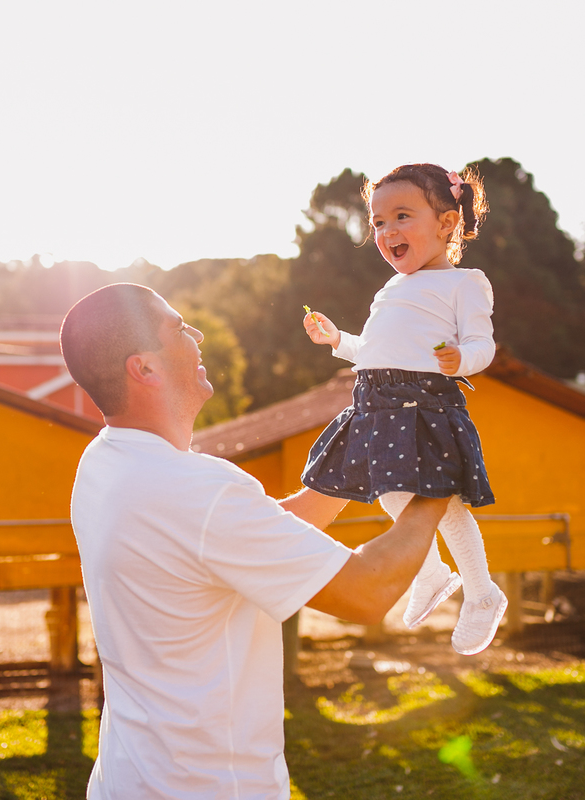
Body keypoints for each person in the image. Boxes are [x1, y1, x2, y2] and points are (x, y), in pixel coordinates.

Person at [60, 282, 450, 799]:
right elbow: (367, 591)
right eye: (178, 328)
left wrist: (351, 456)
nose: (196, 335)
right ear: (144, 368)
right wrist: (440, 481)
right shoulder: (200, 493)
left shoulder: (103, 463)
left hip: (130, 782)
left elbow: (256, 537)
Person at [300, 162, 506, 656]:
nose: (387, 231)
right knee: (388, 488)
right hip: (375, 403)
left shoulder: (465, 284)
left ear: (447, 224)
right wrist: (339, 340)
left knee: (444, 505)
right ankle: (432, 573)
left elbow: (484, 345)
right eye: (378, 222)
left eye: (401, 216)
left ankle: (481, 592)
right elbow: (377, 349)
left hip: (422, 403)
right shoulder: (391, 288)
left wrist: (464, 360)